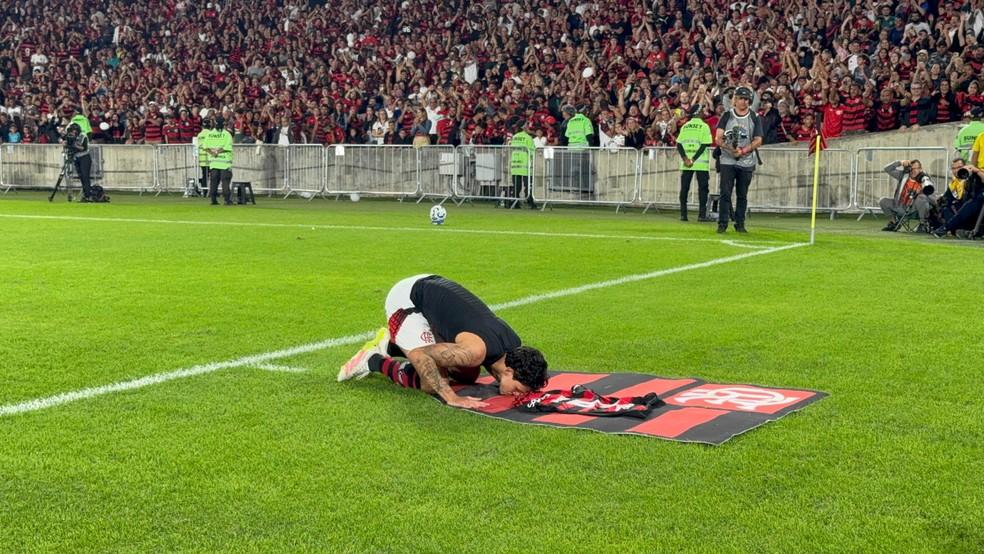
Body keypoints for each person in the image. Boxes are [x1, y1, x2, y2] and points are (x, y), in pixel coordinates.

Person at [337, 274, 549, 409]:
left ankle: (393, 344)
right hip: (408, 301)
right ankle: (374, 359)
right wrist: (451, 397)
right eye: (520, 389)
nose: (518, 394)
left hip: (433, 285)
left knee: (468, 374)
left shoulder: (513, 345)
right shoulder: (474, 352)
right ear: (509, 372)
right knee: (431, 383)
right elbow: (422, 355)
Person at [715, 86, 763, 233]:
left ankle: (740, 223)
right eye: (741, 98)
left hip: (746, 160)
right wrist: (730, 149)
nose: (743, 102)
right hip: (728, 160)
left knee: (742, 194)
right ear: (734, 100)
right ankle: (722, 224)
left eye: (746, 99)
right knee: (725, 193)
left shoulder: (754, 117)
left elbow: (758, 140)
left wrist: (743, 150)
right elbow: (718, 138)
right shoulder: (726, 115)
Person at [675, 104, 713, 221]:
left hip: (686, 163)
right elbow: (705, 144)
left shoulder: (685, 126)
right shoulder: (704, 126)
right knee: (703, 189)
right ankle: (702, 215)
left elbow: (679, 144)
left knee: (684, 189)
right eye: (702, 110)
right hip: (700, 163)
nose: (704, 112)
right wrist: (694, 159)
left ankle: (683, 215)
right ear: (698, 112)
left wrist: (686, 158)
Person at [879, 159, 936, 232]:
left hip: (914, 210)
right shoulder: (903, 175)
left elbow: (933, 198)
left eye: (916, 168)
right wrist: (900, 162)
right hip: (900, 206)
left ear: (920, 169)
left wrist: (923, 192)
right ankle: (894, 223)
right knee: (883, 201)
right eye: (911, 169)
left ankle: (923, 224)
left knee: (922, 198)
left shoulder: (925, 179)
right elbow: (887, 169)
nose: (913, 171)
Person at [63, 122, 97, 202]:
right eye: (71, 131)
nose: (72, 133)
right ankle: (85, 195)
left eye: (74, 131)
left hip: (84, 157)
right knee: (81, 177)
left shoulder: (83, 136)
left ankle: (88, 196)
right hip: (76, 157)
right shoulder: (70, 136)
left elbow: (83, 148)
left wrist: (74, 145)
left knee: (85, 177)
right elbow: (68, 144)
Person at [205, 116, 233, 205]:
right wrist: (218, 152)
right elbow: (227, 147)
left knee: (213, 181)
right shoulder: (226, 134)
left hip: (213, 162)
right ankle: (227, 200)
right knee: (225, 181)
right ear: (223, 123)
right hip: (224, 162)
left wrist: (213, 153)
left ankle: (213, 200)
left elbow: (205, 147)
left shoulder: (209, 134)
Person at [509, 120, 536, 209]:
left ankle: (515, 203)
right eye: (527, 126)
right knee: (528, 186)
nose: (528, 127)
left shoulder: (514, 137)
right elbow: (532, 151)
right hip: (525, 166)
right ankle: (531, 203)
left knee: (516, 186)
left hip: (515, 166)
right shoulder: (528, 137)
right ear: (523, 127)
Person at [194, 112, 212, 196]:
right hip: (210, 158)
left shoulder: (199, 135)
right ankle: (211, 191)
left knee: (205, 175)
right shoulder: (211, 134)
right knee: (212, 176)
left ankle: (204, 190)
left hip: (202, 159)